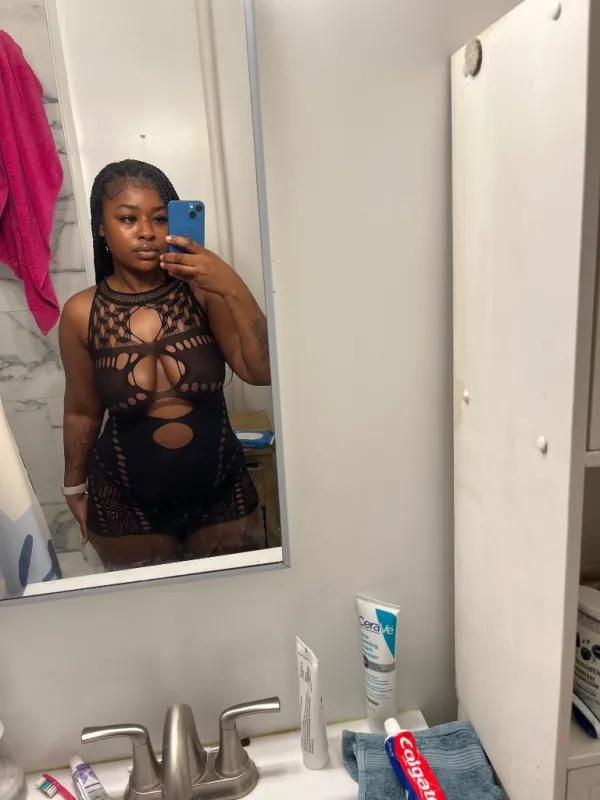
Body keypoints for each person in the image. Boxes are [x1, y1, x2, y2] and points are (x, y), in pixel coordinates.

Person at [58, 160, 271, 570]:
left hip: (222, 492)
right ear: (101, 227)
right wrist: (73, 487)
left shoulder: (204, 293)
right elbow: (82, 412)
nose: (146, 232)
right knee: (147, 610)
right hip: (124, 504)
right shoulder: (82, 313)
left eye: (159, 218)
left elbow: (261, 372)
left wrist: (231, 285)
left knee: (238, 602)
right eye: (127, 218)